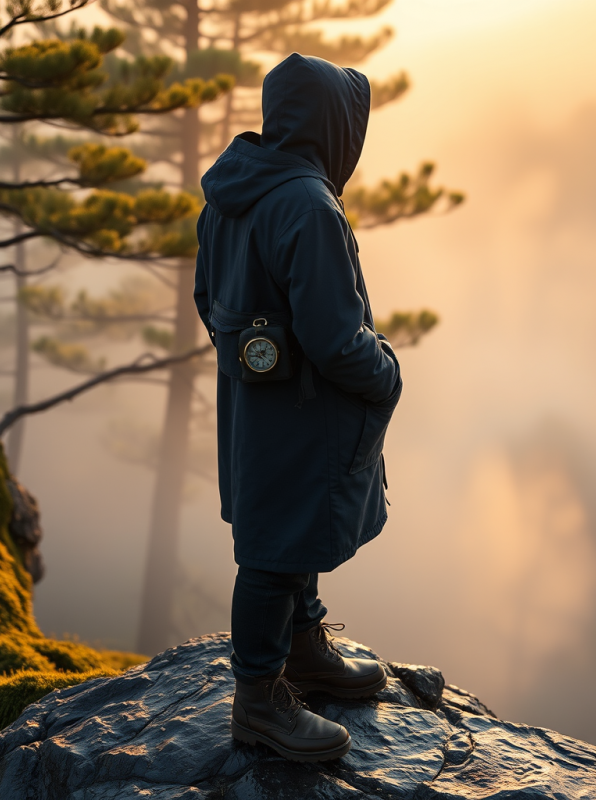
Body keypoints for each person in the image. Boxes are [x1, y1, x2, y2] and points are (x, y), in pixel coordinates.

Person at [194, 52, 403, 763]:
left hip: (257, 405)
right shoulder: (309, 205)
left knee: (285, 529)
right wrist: (387, 374)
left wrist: (255, 362)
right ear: (333, 127)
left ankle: (305, 645)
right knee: (273, 551)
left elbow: (208, 301)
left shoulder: (231, 193)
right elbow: (336, 339)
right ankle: (259, 703)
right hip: (308, 412)